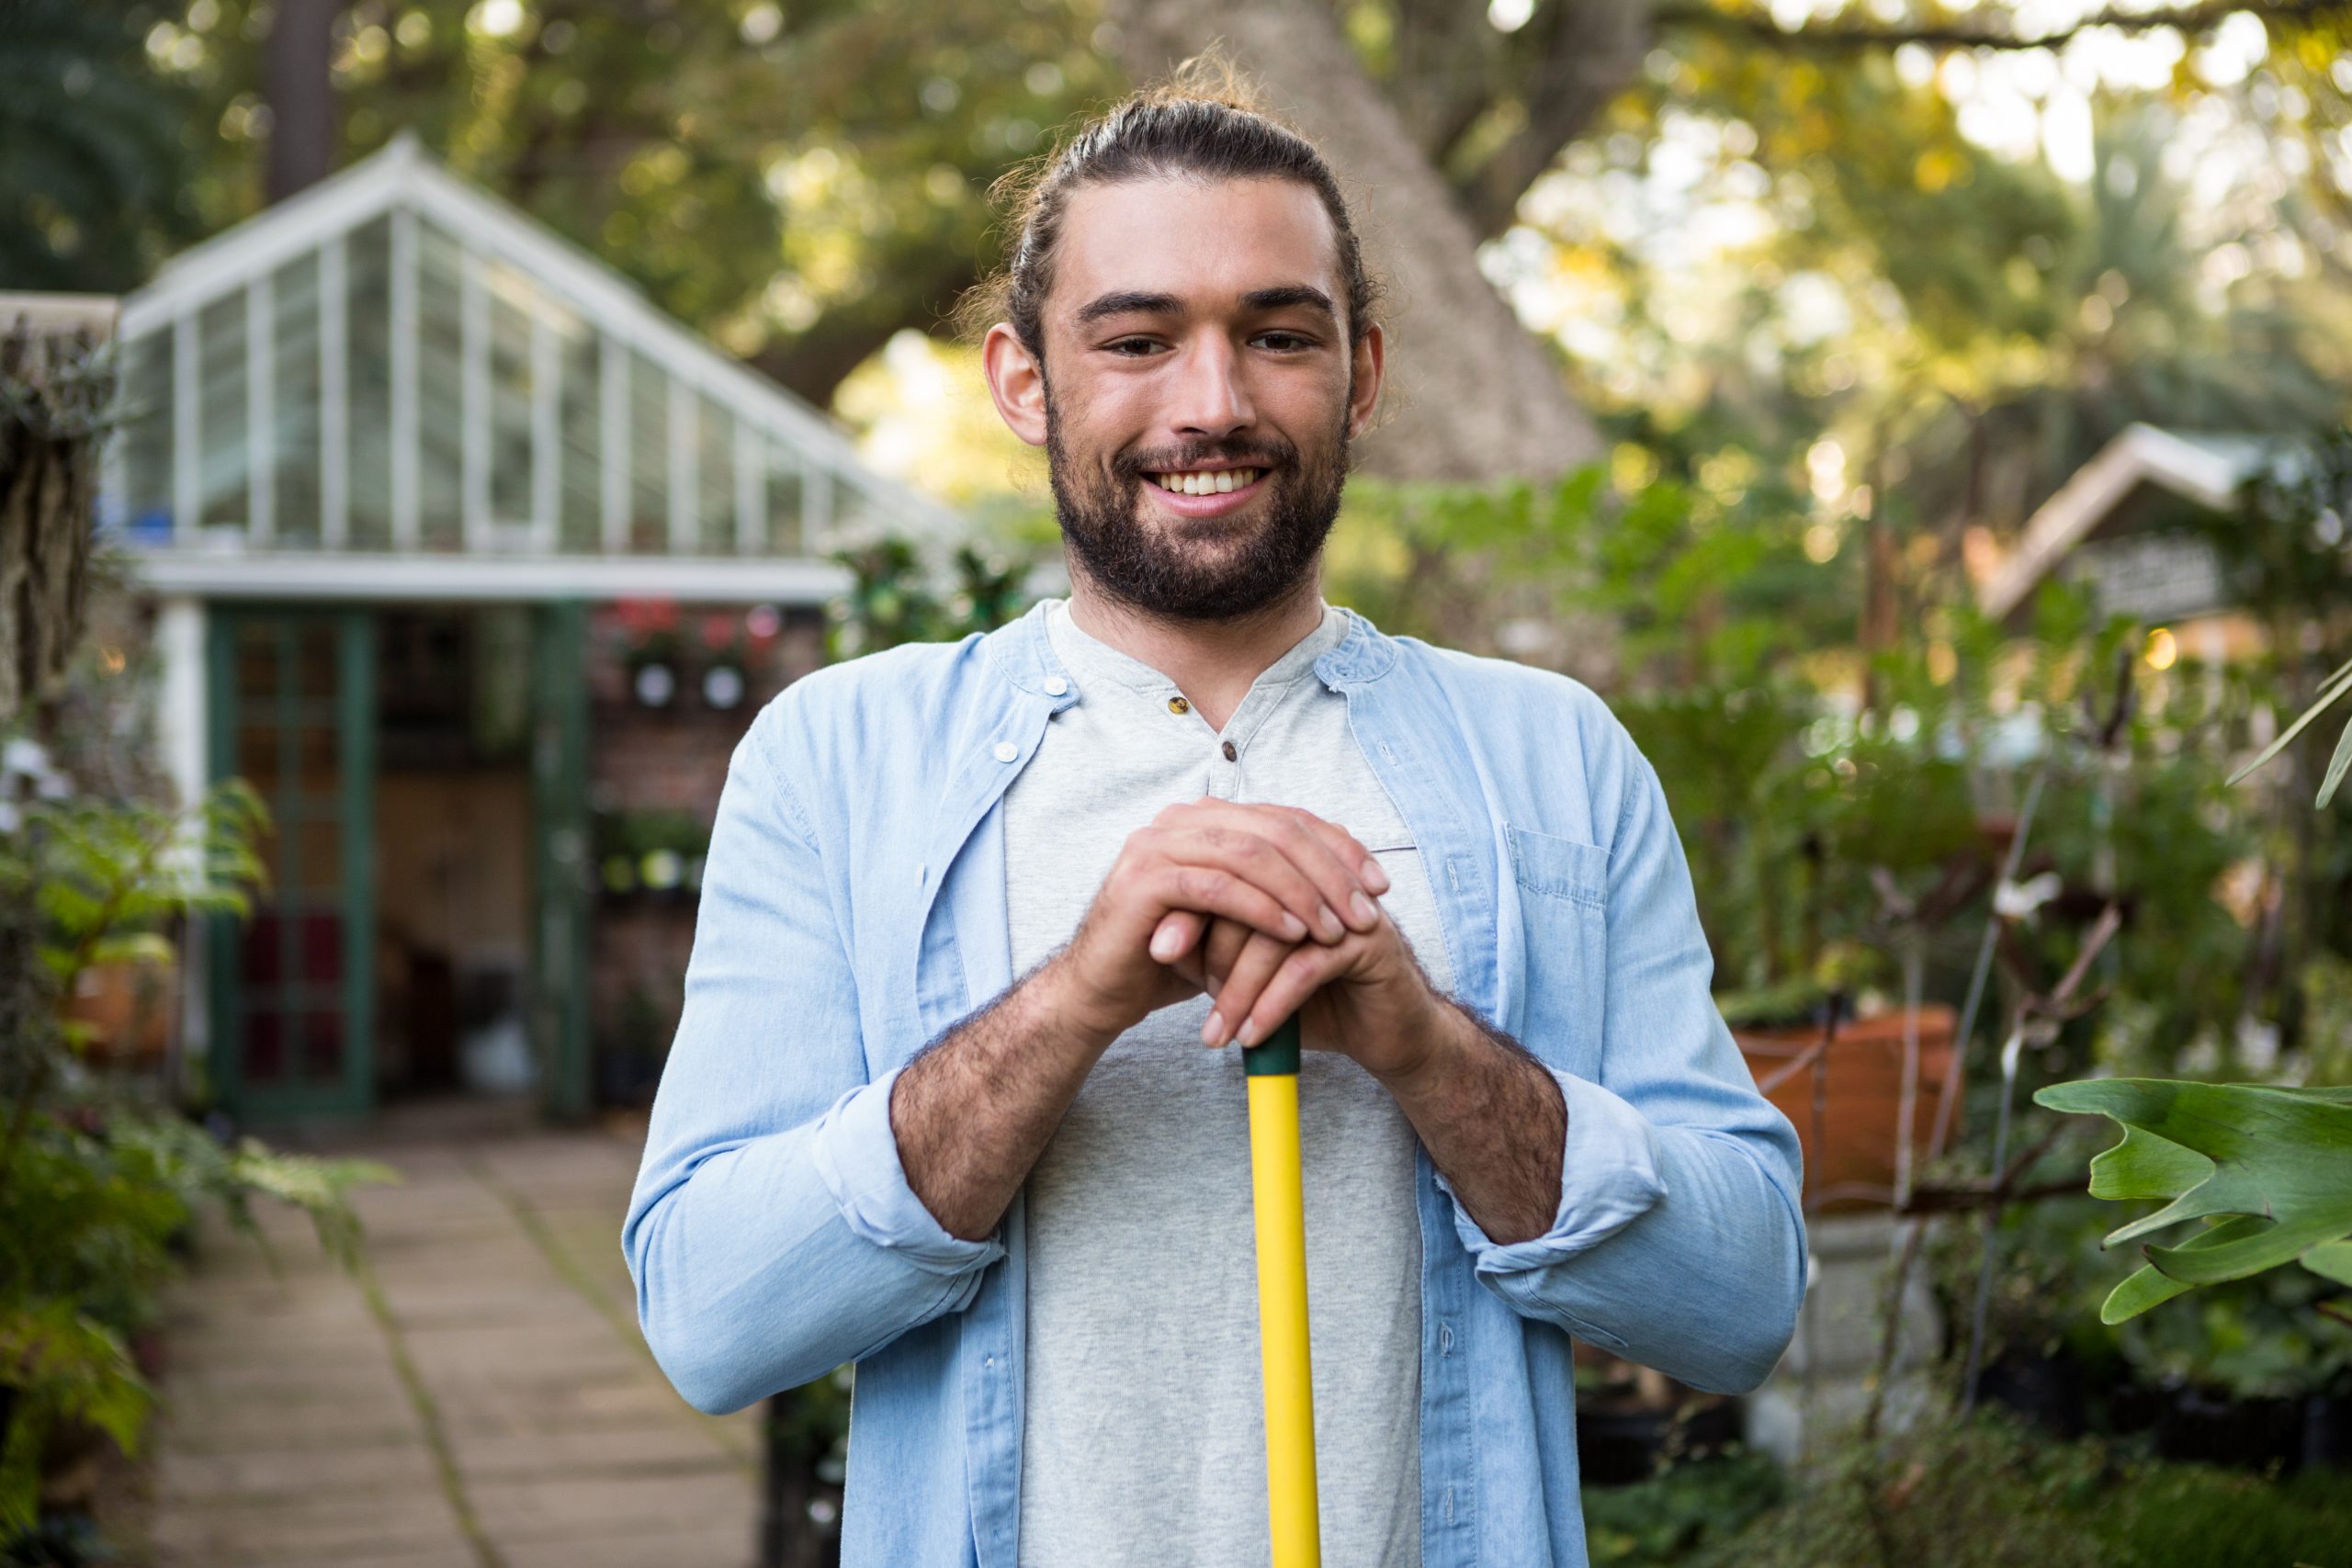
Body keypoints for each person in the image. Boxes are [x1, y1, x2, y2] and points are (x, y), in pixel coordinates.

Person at [622, 66, 1805, 1568]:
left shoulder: (1553, 759)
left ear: (1361, 373)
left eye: (1278, 335)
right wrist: (1074, 1002)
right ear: (1022, 382)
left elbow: (1743, 1295)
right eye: (1135, 339)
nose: (1214, 404)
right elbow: (714, 1318)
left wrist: (1423, 1046)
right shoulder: (840, 764)